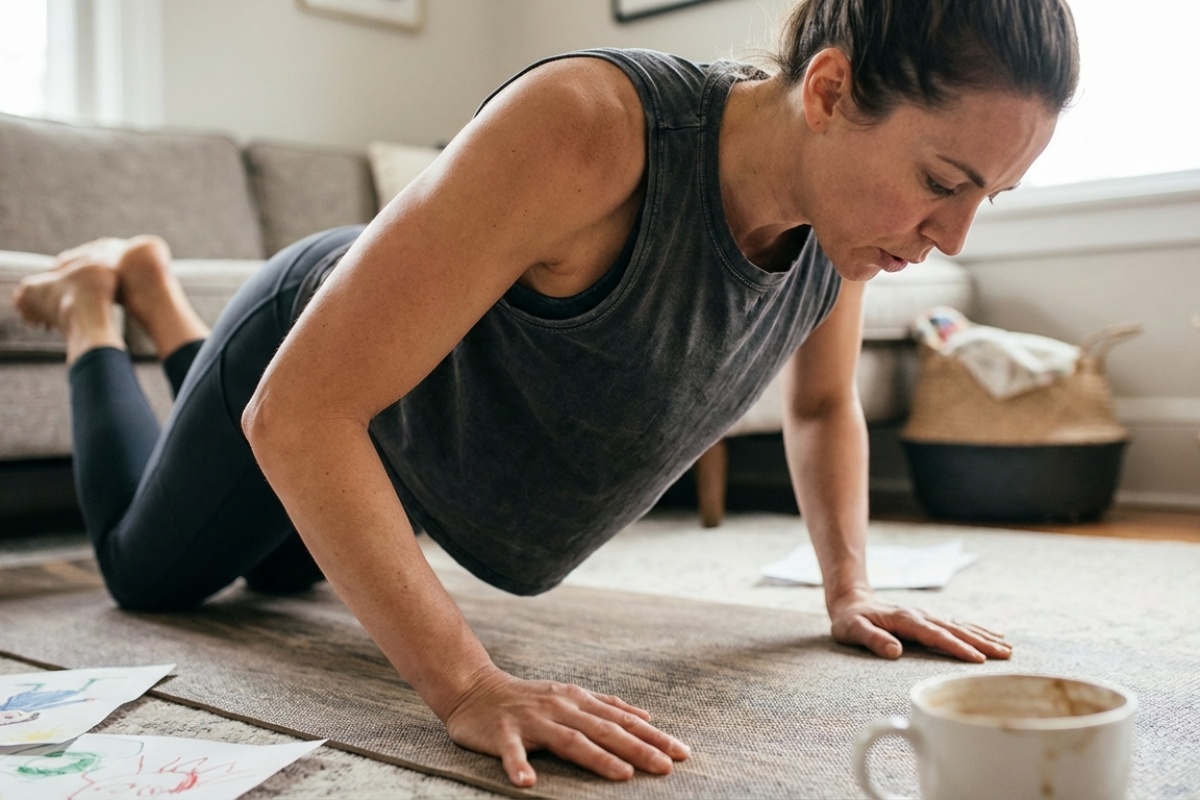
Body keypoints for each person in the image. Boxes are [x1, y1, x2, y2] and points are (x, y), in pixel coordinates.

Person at [11, 0, 1078, 788]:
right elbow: (298, 412)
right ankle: (101, 305)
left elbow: (816, 403)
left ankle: (159, 297)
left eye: (991, 196)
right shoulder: (590, 124)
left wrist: (846, 587)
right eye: (944, 182)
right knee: (150, 573)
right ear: (831, 90)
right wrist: (470, 687)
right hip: (313, 349)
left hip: (403, 439)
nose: (952, 238)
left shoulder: (837, 228)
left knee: (286, 569)